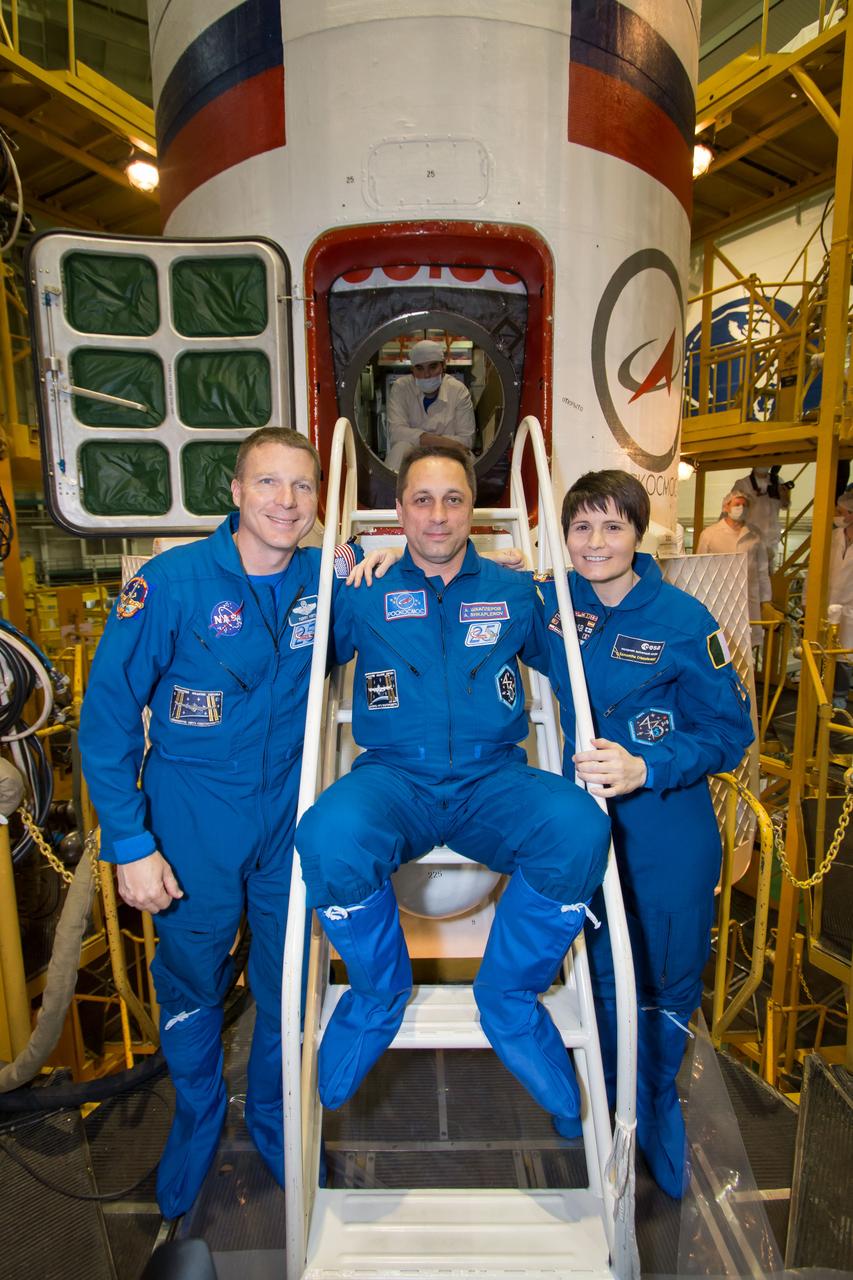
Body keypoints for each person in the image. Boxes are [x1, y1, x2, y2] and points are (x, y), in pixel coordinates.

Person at [78, 426, 396, 1220]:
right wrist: (131, 842)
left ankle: (274, 1118)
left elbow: (407, 616)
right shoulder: (172, 584)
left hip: (288, 819)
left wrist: (388, 556)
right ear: (235, 490)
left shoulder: (329, 584)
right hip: (191, 820)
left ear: (318, 500)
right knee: (191, 978)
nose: (285, 503)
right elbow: (108, 718)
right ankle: (196, 1118)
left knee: (288, 979)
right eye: (268, 483)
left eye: (301, 487)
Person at [295, 444, 611, 1136]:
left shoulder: (512, 590)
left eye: (453, 500)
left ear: (474, 510)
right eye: (421, 500)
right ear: (399, 509)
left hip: (489, 778)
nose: (437, 516)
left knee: (579, 827)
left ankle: (509, 997)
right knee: (326, 835)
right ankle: (378, 993)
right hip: (393, 778)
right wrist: (343, 560)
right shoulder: (365, 589)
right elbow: (298, 656)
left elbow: (579, 671)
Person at [537, 471, 753, 1198]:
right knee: (595, 977)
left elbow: (729, 733)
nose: (595, 542)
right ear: (564, 536)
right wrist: (362, 562)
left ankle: (654, 1102)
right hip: (583, 834)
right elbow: (460, 592)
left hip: (665, 834)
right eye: (581, 527)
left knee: (664, 982)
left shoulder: (685, 621)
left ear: (638, 533)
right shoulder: (551, 605)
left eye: (612, 526)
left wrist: (647, 764)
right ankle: (604, 1105)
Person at [385, 338, 476, 470]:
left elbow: (467, 440)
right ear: (412, 370)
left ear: (443, 366)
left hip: (449, 456)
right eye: (419, 368)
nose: (426, 375)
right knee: (399, 449)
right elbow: (396, 433)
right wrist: (443, 442)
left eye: (433, 367)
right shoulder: (401, 388)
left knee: (468, 457)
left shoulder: (458, 390)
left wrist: (417, 438)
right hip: (413, 456)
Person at [695, 490, 772, 645]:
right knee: (720, 644)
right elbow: (699, 569)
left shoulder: (755, 536)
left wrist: (766, 601)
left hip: (748, 599)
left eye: (744, 505)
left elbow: (762, 571)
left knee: (748, 646)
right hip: (718, 599)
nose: (741, 508)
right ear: (726, 507)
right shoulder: (710, 534)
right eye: (737, 504)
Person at [731, 463, 792, 569]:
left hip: (771, 540)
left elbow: (785, 505)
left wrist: (784, 495)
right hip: (750, 540)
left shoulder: (777, 481)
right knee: (749, 576)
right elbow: (733, 509)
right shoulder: (742, 484)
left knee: (767, 577)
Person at [824, 486, 853, 707]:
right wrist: (807, 602)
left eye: (840, 511)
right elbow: (816, 571)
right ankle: (826, 698)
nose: (837, 515)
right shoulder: (832, 538)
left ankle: (840, 699)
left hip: (850, 610)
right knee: (826, 654)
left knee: (845, 657)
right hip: (828, 608)